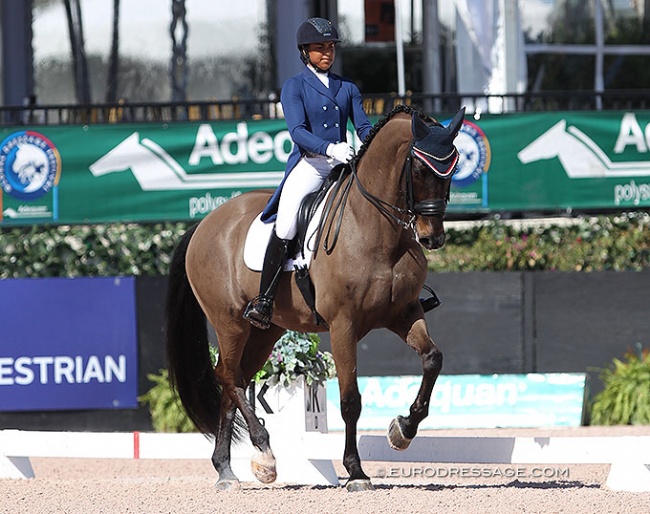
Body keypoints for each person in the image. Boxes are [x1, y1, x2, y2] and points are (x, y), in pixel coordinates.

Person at [243, 17, 373, 330]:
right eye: (319, 48)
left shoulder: (347, 88)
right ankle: (265, 298)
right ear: (305, 51)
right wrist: (331, 149)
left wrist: (374, 145)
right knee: (286, 223)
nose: (327, 53)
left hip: (346, 162)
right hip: (312, 164)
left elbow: (364, 126)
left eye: (330, 47)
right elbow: (298, 132)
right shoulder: (294, 87)